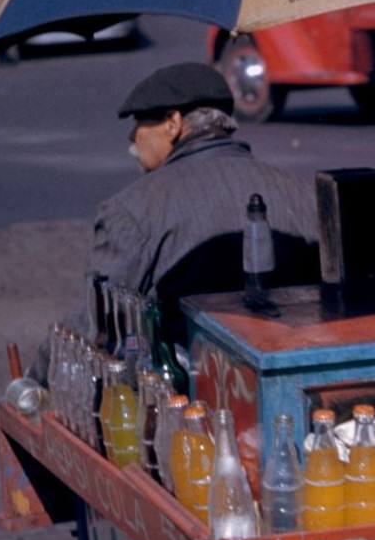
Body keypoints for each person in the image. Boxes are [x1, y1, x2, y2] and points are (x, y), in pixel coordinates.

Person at [33, 51, 319, 381]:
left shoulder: (133, 209)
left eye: (139, 123)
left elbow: (95, 325)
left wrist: (32, 382)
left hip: (188, 398)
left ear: (173, 123)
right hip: (294, 377)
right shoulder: (298, 191)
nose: (132, 138)